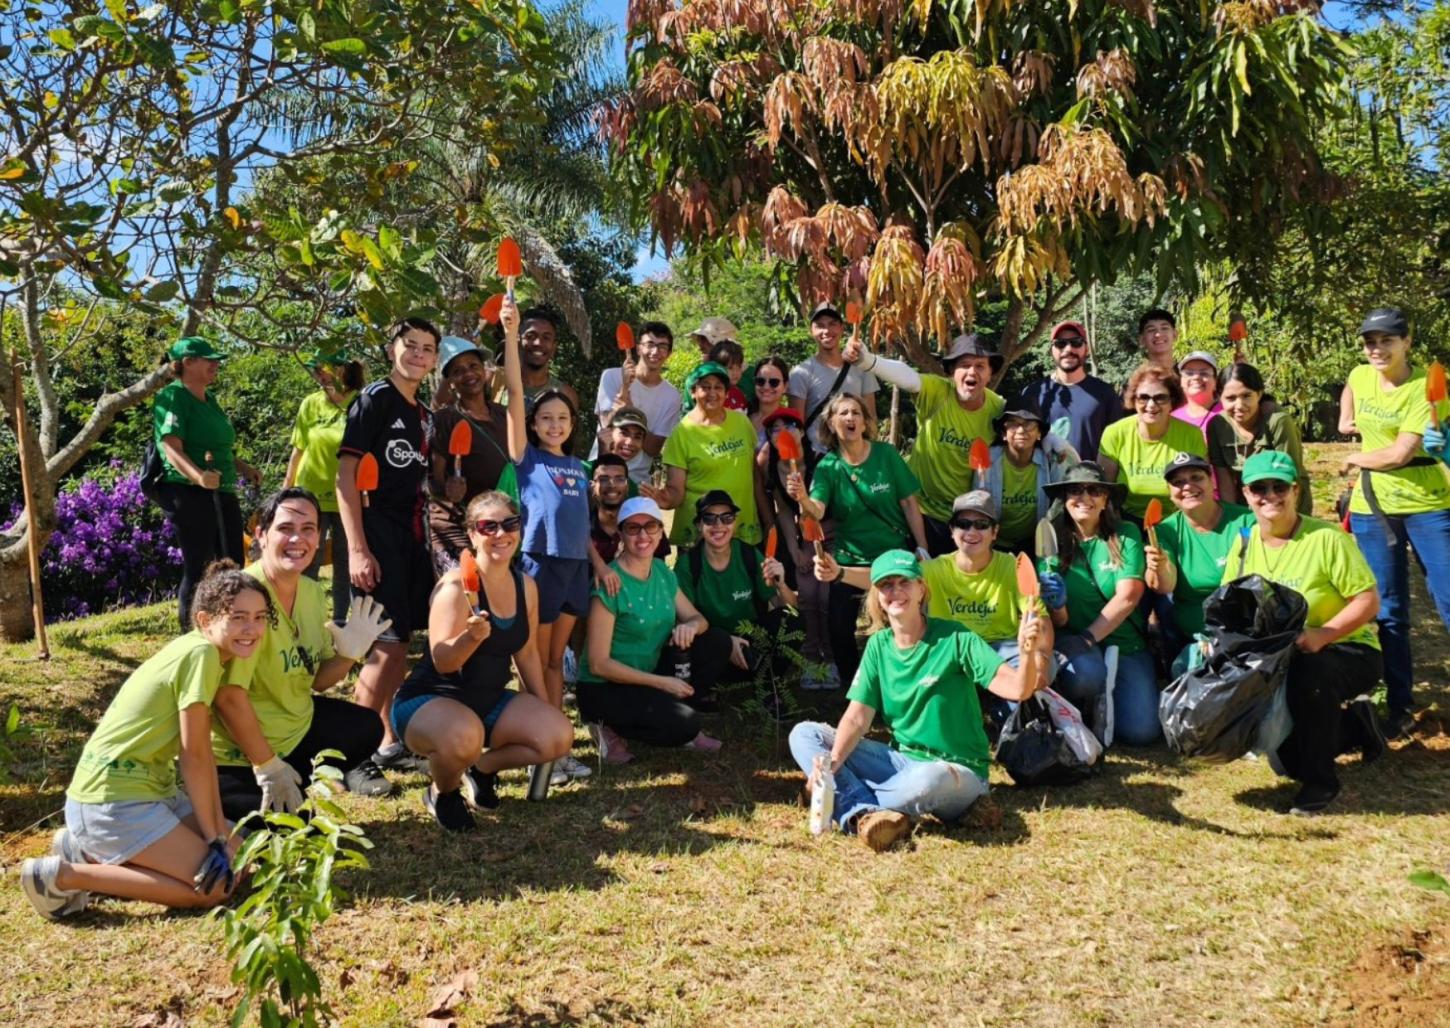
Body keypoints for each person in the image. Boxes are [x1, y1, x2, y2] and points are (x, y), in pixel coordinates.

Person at [23, 563, 268, 919]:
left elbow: (200, 760)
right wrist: (214, 838)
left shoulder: (207, 653)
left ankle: (85, 851)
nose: (251, 629)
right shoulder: (200, 656)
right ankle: (63, 876)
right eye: (238, 617)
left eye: (260, 617)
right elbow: (194, 754)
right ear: (204, 619)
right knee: (216, 889)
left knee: (240, 858)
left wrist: (219, 835)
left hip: (150, 791)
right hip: (111, 801)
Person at [789, 550, 1048, 852]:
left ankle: (845, 800)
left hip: (955, 771)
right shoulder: (877, 646)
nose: (895, 592)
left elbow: (1019, 689)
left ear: (921, 589)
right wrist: (832, 765)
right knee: (805, 735)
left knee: (929, 778)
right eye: (886, 585)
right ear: (877, 596)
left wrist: (1027, 654)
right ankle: (863, 813)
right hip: (901, 763)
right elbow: (857, 718)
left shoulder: (956, 637)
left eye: (904, 583)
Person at [392, 491, 576, 831]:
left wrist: (545, 706)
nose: (500, 534)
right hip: (430, 700)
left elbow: (527, 652)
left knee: (558, 735)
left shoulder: (526, 585)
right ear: (472, 534)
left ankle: (482, 768)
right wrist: (469, 638)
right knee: (464, 734)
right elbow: (444, 661)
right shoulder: (454, 588)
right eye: (487, 526)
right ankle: (442, 792)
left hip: (487, 700)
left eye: (509, 523)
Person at [211, 489, 391, 820]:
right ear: (262, 535)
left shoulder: (309, 591)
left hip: (295, 728)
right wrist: (267, 765)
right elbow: (227, 698)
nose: (298, 538)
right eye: (285, 528)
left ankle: (297, 776)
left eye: (309, 528)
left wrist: (349, 654)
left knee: (365, 727)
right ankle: (251, 787)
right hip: (241, 750)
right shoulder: (242, 596)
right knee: (289, 833)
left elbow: (318, 681)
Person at [1222, 451, 1385, 814]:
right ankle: (1355, 727)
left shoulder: (1326, 539)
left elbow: (1368, 601)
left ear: (1295, 490)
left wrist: (1322, 634)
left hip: (1346, 649)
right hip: (1280, 656)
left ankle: (1321, 784)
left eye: (1279, 486)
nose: (1269, 495)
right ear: (1245, 494)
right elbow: (1232, 603)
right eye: (1258, 488)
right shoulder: (1245, 543)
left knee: (1309, 676)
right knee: (1290, 763)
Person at [335, 316, 440, 794]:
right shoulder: (374, 399)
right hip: (376, 532)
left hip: (411, 536)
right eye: (410, 345)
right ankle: (349, 757)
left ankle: (386, 744)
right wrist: (357, 547)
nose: (418, 354)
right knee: (386, 644)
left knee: (400, 644)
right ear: (391, 349)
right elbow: (346, 476)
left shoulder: (424, 414)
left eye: (427, 348)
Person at [1339, 306, 1450, 737]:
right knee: (1389, 611)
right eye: (1370, 341)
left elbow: (1399, 454)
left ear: (1407, 342)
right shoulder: (1360, 375)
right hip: (1373, 507)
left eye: (1387, 340)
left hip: (1428, 503)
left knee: (1446, 602)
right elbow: (1351, 390)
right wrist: (1347, 423)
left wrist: (1354, 455)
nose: (1378, 349)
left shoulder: (1428, 387)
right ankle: (1400, 707)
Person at [814, 491, 1057, 688]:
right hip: (951, 653)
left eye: (981, 524)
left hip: (999, 651)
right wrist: (840, 573)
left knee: (1034, 674)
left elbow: (1040, 618)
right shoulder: (934, 569)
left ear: (995, 532)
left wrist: (1041, 658)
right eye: (963, 524)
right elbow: (889, 581)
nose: (971, 532)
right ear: (952, 532)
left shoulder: (1011, 566)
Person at [500, 297, 598, 785]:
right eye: (546, 419)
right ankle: (540, 745)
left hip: (574, 569)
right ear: (534, 426)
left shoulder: (578, 467)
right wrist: (509, 332)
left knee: (557, 660)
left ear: (572, 425)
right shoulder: (528, 460)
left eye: (563, 419)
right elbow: (516, 393)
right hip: (539, 565)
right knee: (534, 662)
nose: (555, 424)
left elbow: (582, 527)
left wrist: (596, 565)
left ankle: (557, 744)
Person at [790, 393, 929, 689]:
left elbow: (909, 504)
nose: (850, 418)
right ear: (831, 422)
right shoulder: (828, 466)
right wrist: (802, 497)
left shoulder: (886, 455)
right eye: (842, 413)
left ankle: (907, 678)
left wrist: (922, 547)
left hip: (892, 555)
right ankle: (855, 687)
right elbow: (817, 510)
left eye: (856, 413)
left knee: (904, 621)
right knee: (839, 628)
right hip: (851, 559)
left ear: (866, 421)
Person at [576, 497, 730, 762]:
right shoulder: (609, 582)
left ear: (661, 532)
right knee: (685, 724)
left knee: (716, 642)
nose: (643, 535)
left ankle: (671, 710)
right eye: (633, 528)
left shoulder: (661, 571)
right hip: (605, 687)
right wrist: (662, 683)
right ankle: (606, 725)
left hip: (648, 672)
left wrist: (690, 627)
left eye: (651, 526)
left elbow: (697, 618)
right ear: (622, 534)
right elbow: (599, 664)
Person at [842, 332, 1005, 554]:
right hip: (916, 509)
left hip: (961, 519)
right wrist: (868, 360)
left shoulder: (998, 409)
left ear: (989, 374)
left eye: (980, 366)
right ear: (951, 372)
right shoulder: (938, 392)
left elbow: (1024, 427)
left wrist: (1054, 442)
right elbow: (908, 377)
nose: (972, 371)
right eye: (964, 365)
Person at [1038, 462, 1157, 747]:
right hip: (1073, 639)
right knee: (1086, 678)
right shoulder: (1051, 539)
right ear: (1065, 499)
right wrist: (1057, 605)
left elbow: (1128, 596)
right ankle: (1088, 706)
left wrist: (1089, 638)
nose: (1084, 497)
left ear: (1106, 500)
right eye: (1075, 490)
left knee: (1142, 732)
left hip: (1123, 643)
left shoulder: (1125, 533)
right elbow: (1060, 622)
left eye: (1094, 490)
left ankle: (1112, 697)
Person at [152, 336, 263, 630]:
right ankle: (191, 632)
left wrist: (244, 468)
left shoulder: (210, 399)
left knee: (232, 560)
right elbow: (171, 447)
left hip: (222, 489)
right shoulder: (173, 397)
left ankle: (229, 623)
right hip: (189, 493)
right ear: (188, 362)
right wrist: (199, 477)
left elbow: (221, 447)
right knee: (200, 565)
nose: (216, 365)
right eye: (209, 360)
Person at [678, 491, 798, 704]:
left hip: (750, 644)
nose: (719, 526)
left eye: (727, 518)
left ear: (734, 523)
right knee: (706, 639)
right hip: (712, 644)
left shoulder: (748, 555)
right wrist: (726, 641)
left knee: (794, 621)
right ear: (699, 525)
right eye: (709, 519)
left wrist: (781, 583)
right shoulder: (689, 565)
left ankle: (767, 684)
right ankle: (705, 688)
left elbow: (790, 609)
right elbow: (684, 621)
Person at [1142, 453, 1256, 672]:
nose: (1188, 486)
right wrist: (1157, 566)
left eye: (1196, 477)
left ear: (1211, 481)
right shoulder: (1165, 531)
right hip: (1195, 639)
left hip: (1244, 634)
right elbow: (1164, 586)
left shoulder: (1245, 521)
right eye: (1178, 482)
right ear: (1169, 492)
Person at [284, 347, 364, 622]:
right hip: (310, 497)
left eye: (323, 367)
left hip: (348, 497)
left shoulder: (361, 403)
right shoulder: (310, 403)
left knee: (346, 564)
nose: (317, 373)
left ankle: (342, 624)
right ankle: (303, 624)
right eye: (315, 368)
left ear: (341, 368)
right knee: (306, 563)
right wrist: (286, 494)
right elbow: (298, 452)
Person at [646, 361, 764, 548]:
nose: (712, 393)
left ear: (726, 393)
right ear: (693, 392)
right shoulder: (682, 433)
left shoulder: (741, 422)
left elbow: (754, 478)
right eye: (705, 387)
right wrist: (665, 499)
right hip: (701, 535)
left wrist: (767, 519)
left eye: (718, 387)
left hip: (742, 530)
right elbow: (676, 490)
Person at [758, 407, 836, 689]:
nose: (783, 432)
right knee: (806, 595)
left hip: (833, 531)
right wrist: (794, 551)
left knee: (825, 595)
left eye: (789, 426)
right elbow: (782, 512)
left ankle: (831, 657)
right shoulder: (774, 466)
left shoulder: (822, 463)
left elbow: (820, 510)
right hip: (805, 532)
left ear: (802, 432)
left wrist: (803, 495)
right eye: (774, 429)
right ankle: (810, 656)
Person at [427, 335, 511, 574]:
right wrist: (447, 490)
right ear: (451, 380)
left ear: (485, 371)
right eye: (458, 371)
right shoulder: (445, 418)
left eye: (473, 366)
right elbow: (433, 480)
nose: (468, 374)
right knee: (464, 595)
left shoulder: (504, 415)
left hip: (498, 525)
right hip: (456, 527)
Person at [1098, 363, 1209, 521]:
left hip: (1179, 519)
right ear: (1134, 400)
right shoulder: (1115, 433)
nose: (1151, 405)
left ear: (1172, 401)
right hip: (1126, 520)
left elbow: (1200, 487)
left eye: (1160, 398)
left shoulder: (1191, 434)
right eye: (1143, 397)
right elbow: (1103, 491)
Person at [1207, 362, 1311, 513]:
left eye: (1247, 396)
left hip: (1285, 502)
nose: (1239, 405)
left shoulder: (1278, 422)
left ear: (1260, 394)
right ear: (1218, 398)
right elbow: (1225, 480)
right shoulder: (1217, 426)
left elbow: (1289, 476)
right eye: (1231, 398)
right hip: (1246, 503)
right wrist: (1234, 518)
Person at [1015, 320, 1123, 462]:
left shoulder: (1105, 393)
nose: (1068, 349)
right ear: (1051, 349)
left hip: (1090, 481)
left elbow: (1118, 444)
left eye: (1076, 343)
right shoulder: (1032, 393)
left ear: (1087, 348)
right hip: (1043, 481)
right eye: (1060, 344)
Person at [591, 321, 680, 483]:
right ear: (638, 348)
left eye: (662, 347)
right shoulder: (611, 377)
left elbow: (654, 449)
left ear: (669, 354)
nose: (655, 351)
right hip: (602, 471)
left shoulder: (672, 396)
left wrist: (629, 409)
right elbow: (605, 427)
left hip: (637, 481)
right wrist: (624, 388)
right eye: (650, 344)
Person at [983, 405, 1079, 553]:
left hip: (1037, 543)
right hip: (995, 543)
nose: (1021, 430)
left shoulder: (1051, 460)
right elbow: (978, 505)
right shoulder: (988, 460)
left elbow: (1061, 501)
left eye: (1029, 424)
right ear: (1003, 433)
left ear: (1040, 434)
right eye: (1013, 424)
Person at [789, 303, 878, 456]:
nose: (826, 331)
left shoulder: (862, 369)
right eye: (820, 325)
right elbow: (797, 426)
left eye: (832, 324)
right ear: (811, 331)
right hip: (819, 457)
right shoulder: (800, 373)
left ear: (842, 328)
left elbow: (870, 418)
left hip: (857, 455)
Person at [500, 306, 579, 412]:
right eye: (531, 336)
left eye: (546, 338)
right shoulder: (496, 383)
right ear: (517, 340)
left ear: (554, 346)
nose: (538, 343)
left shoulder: (565, 394)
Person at [590, 454, 667, 563]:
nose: (612, 485)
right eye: (603, 479)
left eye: (619, 479)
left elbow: (659, 571)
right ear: (592, 486)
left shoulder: (648, 524)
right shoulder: (581, 529)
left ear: (627, 486)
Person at [1172, 351, 1224, 438]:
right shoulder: (1172, 419)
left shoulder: (1228, 412)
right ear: (1181, 381)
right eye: (1189, 373)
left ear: (1215, 382)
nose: (1196, 377)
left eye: (1204, 373)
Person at [749, 355, 792, 445]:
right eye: (760, 381)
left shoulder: (789, 423)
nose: (766, 387)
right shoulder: (744, 417)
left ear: (785, 386)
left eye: (774, 382)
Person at [708, 339, 749, 411]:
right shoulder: (711, 396)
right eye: (730, 368)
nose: (735, 372)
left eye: (739, 367)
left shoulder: (738, 393)